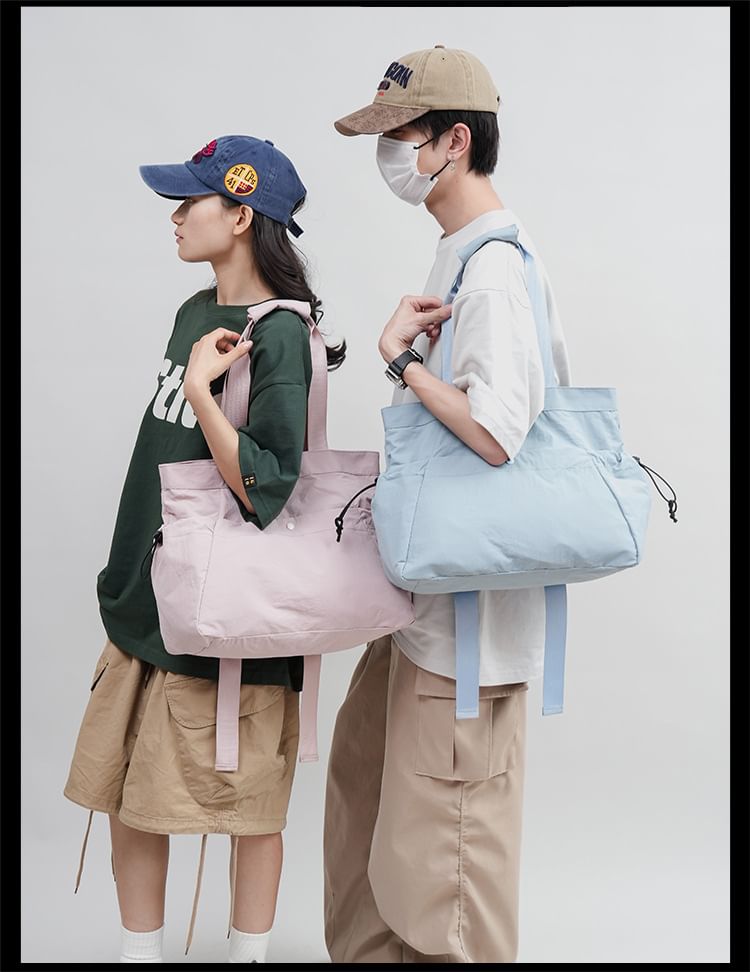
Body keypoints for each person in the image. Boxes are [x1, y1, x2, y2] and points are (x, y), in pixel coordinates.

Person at [64, 134, 345, 964]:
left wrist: (200, 390)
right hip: (147, 598)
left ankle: (247, 956)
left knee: (248, 807)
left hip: (225, 616)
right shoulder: (195, 311)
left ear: (243, 214)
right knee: (128, 795)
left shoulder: (281, 335)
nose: (177, 216)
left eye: (191, 201)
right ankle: (139, 954)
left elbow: (268, 486)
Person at [323, 46, 572, 963]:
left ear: (454, 141)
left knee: (448, 864)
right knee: (370, 811)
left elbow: (498, 431)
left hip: (467, 632)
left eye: (400, 135)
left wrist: (400, 360)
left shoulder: (495, 270)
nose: (388, 155)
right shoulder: (461, 254)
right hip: (426, 604)